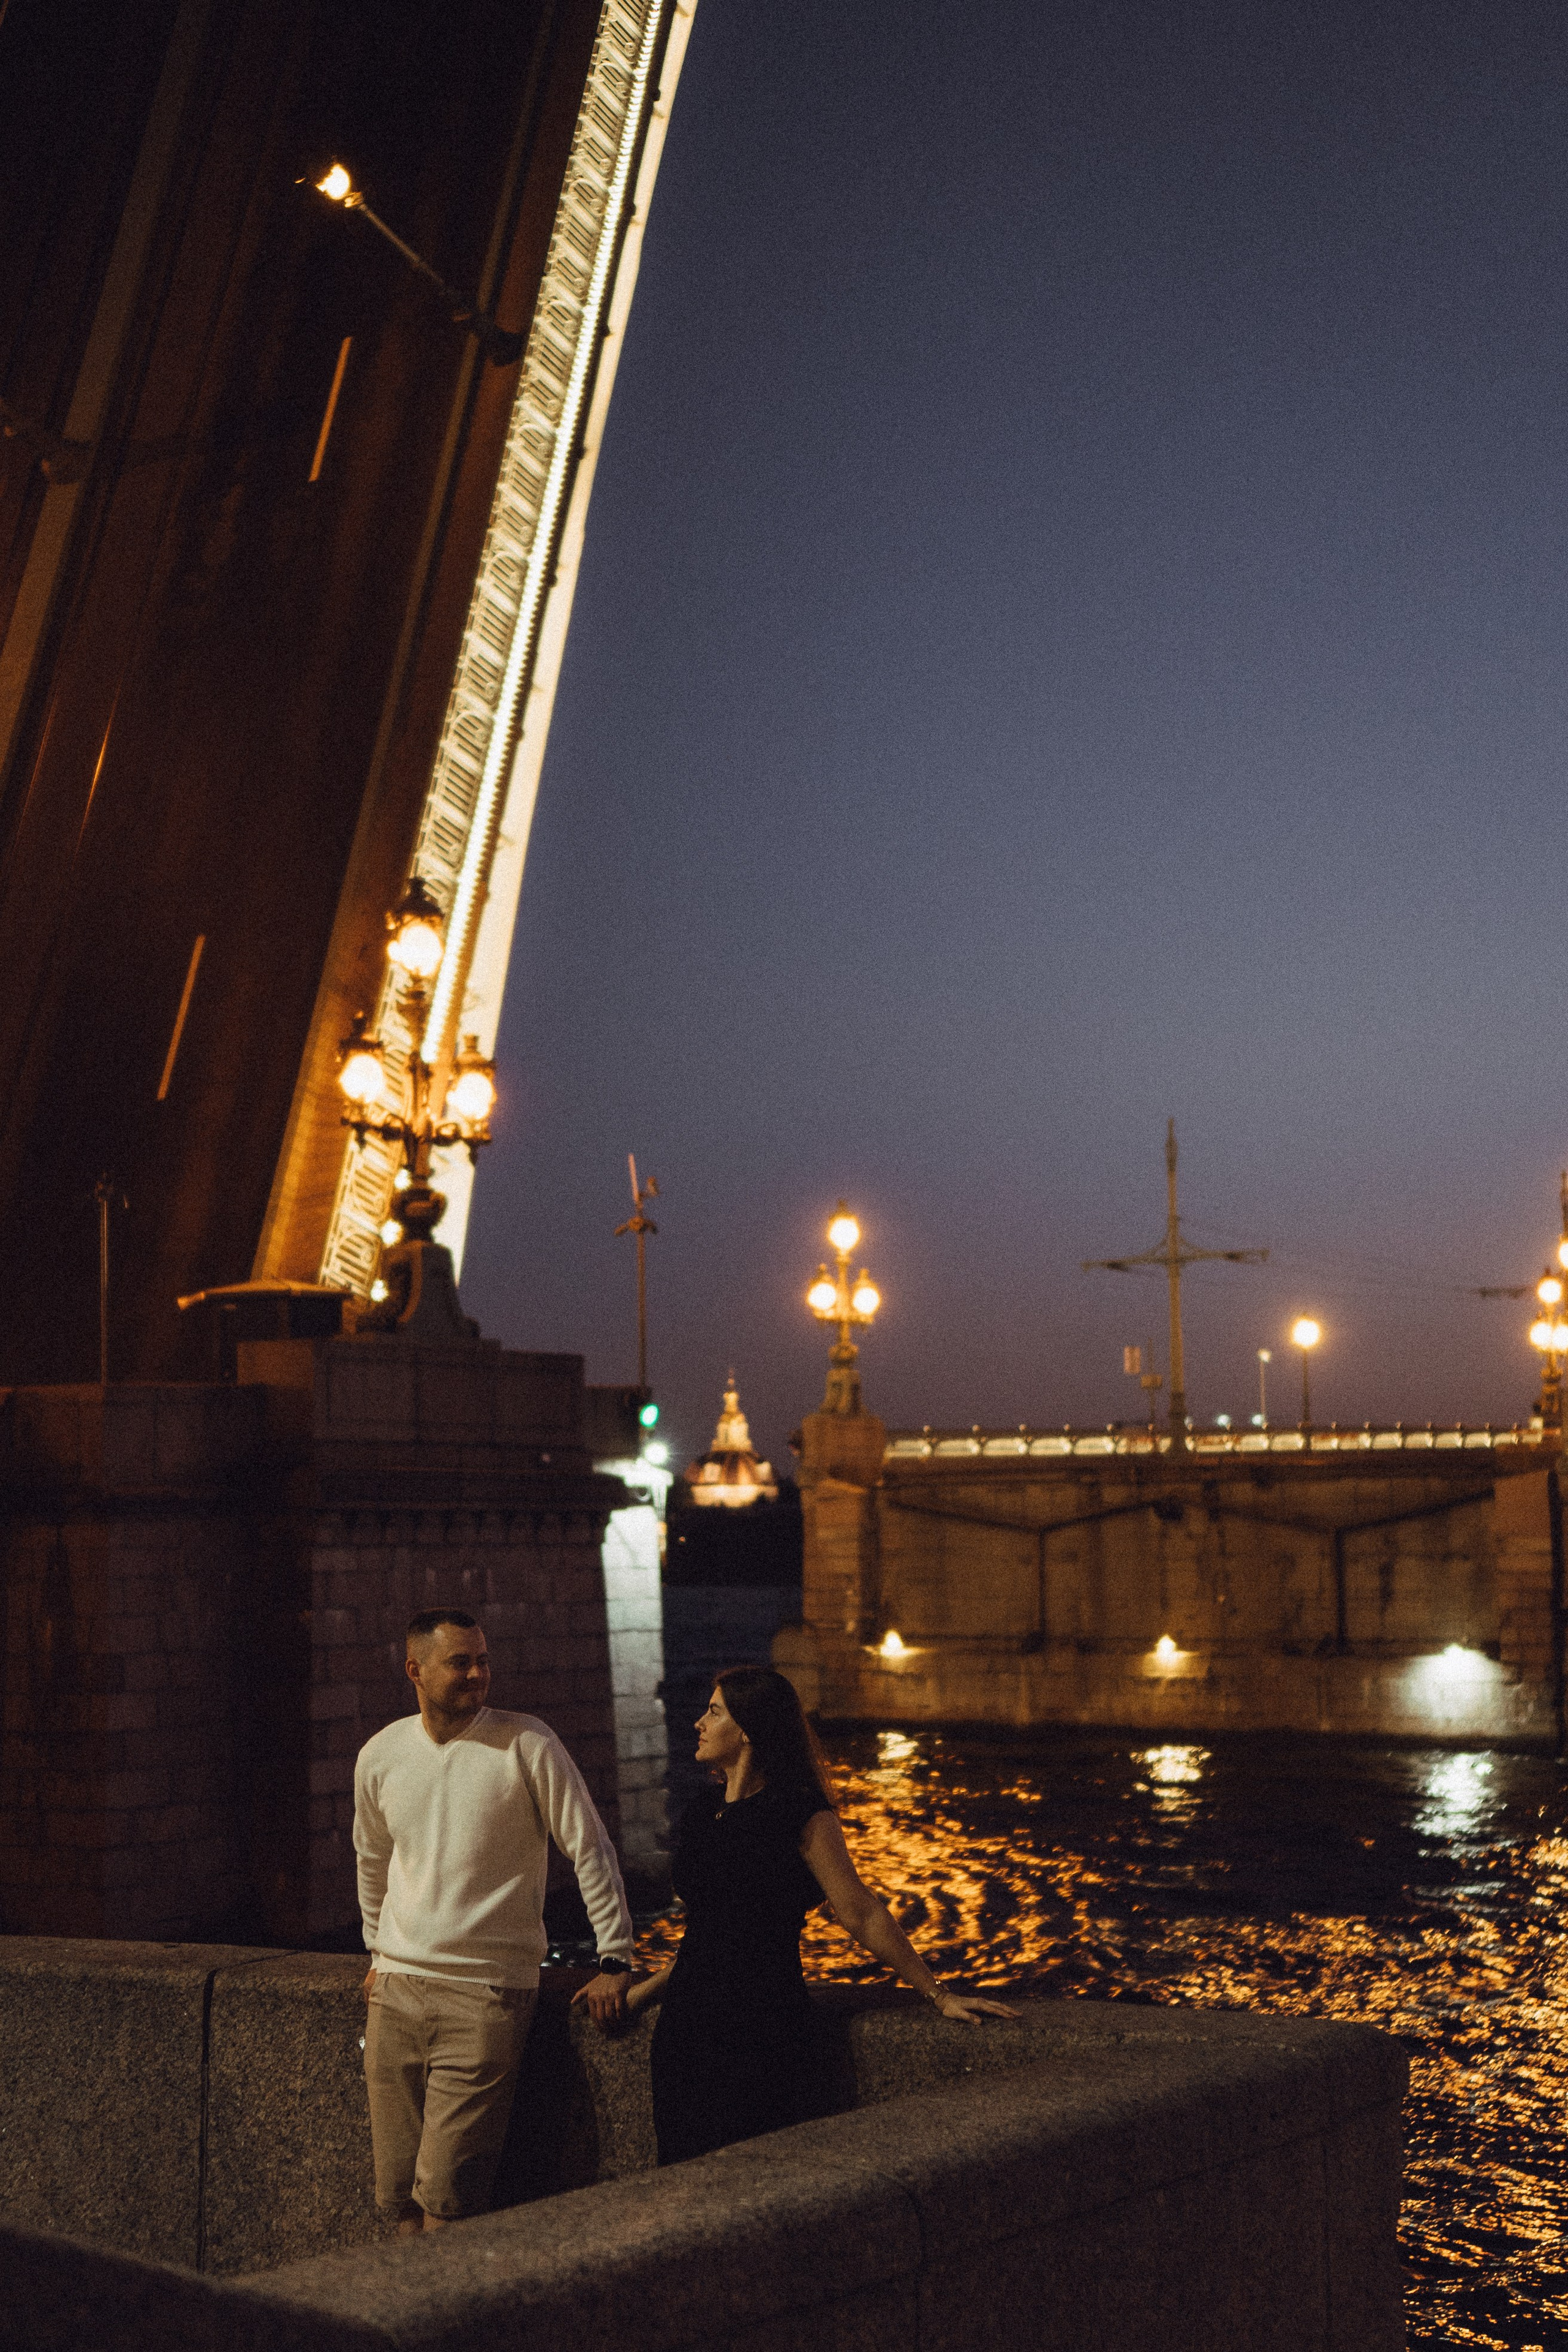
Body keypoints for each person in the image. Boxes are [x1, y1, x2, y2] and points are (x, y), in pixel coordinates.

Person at [628, 1665, 1017, 2165]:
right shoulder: (704, 1813)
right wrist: (643, 1991)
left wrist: (938, 1995)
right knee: (680, 2180)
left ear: (747, 1730)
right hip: (685, 2033)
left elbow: (859, 1911)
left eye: (714, 1712)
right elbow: (712, 1937)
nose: (699, 1723)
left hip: (760, 2027)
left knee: (753, 2188)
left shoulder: (800, 1812)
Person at [354, 1608, 636, 2232]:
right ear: (415, 1671)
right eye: (460, 1662)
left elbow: (589, 1847)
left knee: (449, 2199)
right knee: (396, 2196)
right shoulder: (380, 1754)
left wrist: (615, 1958)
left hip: (486, 1994)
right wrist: (377, 1953)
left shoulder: (528, 1743)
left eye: (483, 1659)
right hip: (396, 1993)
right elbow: (371, 1860)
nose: (478, 1674)